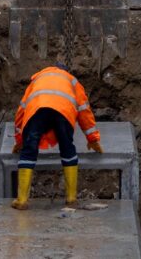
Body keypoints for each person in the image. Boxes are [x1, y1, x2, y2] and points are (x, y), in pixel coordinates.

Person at [11, 64, 104, 210]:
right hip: (63, 111)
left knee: (29, 151)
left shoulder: (37, 79)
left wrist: (19, 140)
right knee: (67, 147)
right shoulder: (72, 81)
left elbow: (21, 111)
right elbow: (84, 111)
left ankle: (22, 200)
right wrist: (92, 139)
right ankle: (71, 199)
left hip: (37, 111)